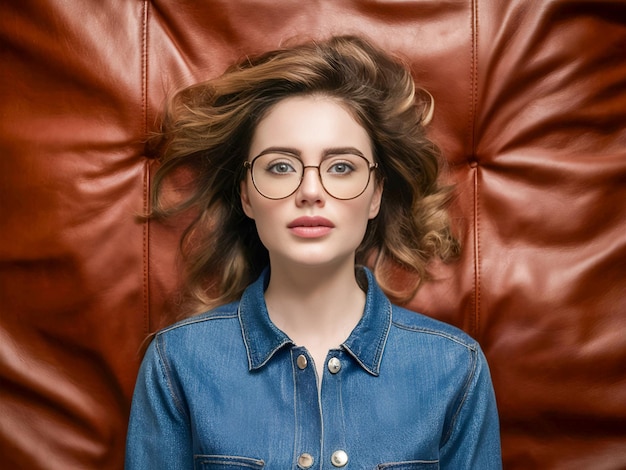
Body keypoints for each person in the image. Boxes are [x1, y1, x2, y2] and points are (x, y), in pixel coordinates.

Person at [126, 35, 502, 469]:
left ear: (376, 194)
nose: (310, 191)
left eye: (341, 167)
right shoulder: (176, 364)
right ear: (246, 195)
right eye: (280, 166)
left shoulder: (456, 369)